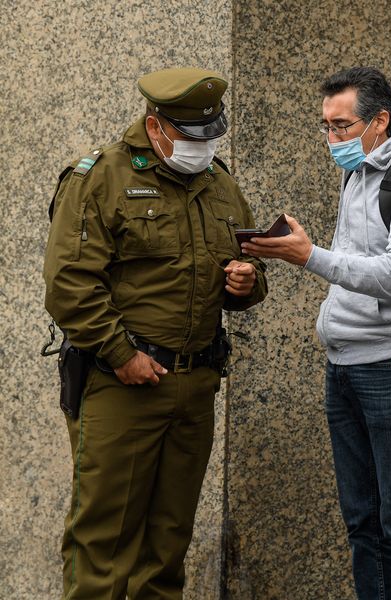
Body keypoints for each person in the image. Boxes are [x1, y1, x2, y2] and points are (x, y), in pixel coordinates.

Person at [43, 67, 268, 599]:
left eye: (213, 135)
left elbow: (250, 267)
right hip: (122, 384)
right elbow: (69, 284)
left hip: (195, 386)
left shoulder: (219, 183)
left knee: (167, 545)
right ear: (157, 126)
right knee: (104, 543)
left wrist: (245, 282)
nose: (204, 146)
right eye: (193, 136)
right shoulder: (100, 177)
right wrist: (122, 354)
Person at [242, 66, 391, 600]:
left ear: (380, 121)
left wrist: (308, 256)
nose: (332, 140)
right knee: (361, 521)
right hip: (343, 367)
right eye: (325, 127)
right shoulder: (357, 173)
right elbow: (355, 261)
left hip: (390, 368)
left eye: (342, 127)